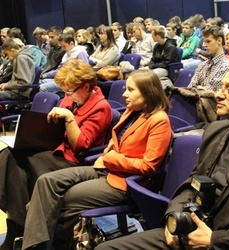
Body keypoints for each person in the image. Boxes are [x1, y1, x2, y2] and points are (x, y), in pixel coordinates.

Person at [96, 62, 229, 250]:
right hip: (189, 231)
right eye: (221, 87)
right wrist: (174, 217)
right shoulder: (216, 130)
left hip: (227, 242)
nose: (218, 95)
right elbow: (192, 182)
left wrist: (214, 239)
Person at [22, 68, 172, 250]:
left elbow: (149, 166)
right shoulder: (132, 111)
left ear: (149, 92)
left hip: (126, 183)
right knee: (46, 181)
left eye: (131, 90)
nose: (124, 94)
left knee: (64, 198)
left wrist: (111, 158)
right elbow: (118, 142)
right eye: (125, 88)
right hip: (105, 168)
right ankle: (36, 244)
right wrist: (108, 153)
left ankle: (45, 246)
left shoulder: (159, 120)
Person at [0, 59, 112, 249]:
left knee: (23, 163)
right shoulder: (72, 98)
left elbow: (81, 146)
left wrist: (69, 118)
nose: (66, 96)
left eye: (70, 91)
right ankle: (19, 226)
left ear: (86, 87)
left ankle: (19, 230)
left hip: (75, 161)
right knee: (8, 156)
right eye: (65, 91)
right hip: (55, 150)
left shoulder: (102, 108)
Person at [188, 27, 229, 92]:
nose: (205, 45)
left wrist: (199, 87)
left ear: (219, 41)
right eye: (204, 42)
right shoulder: (203, 64)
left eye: (208, 41)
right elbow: (191, 86)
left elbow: (211, 92)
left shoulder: (225, 66)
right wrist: (201, 88)